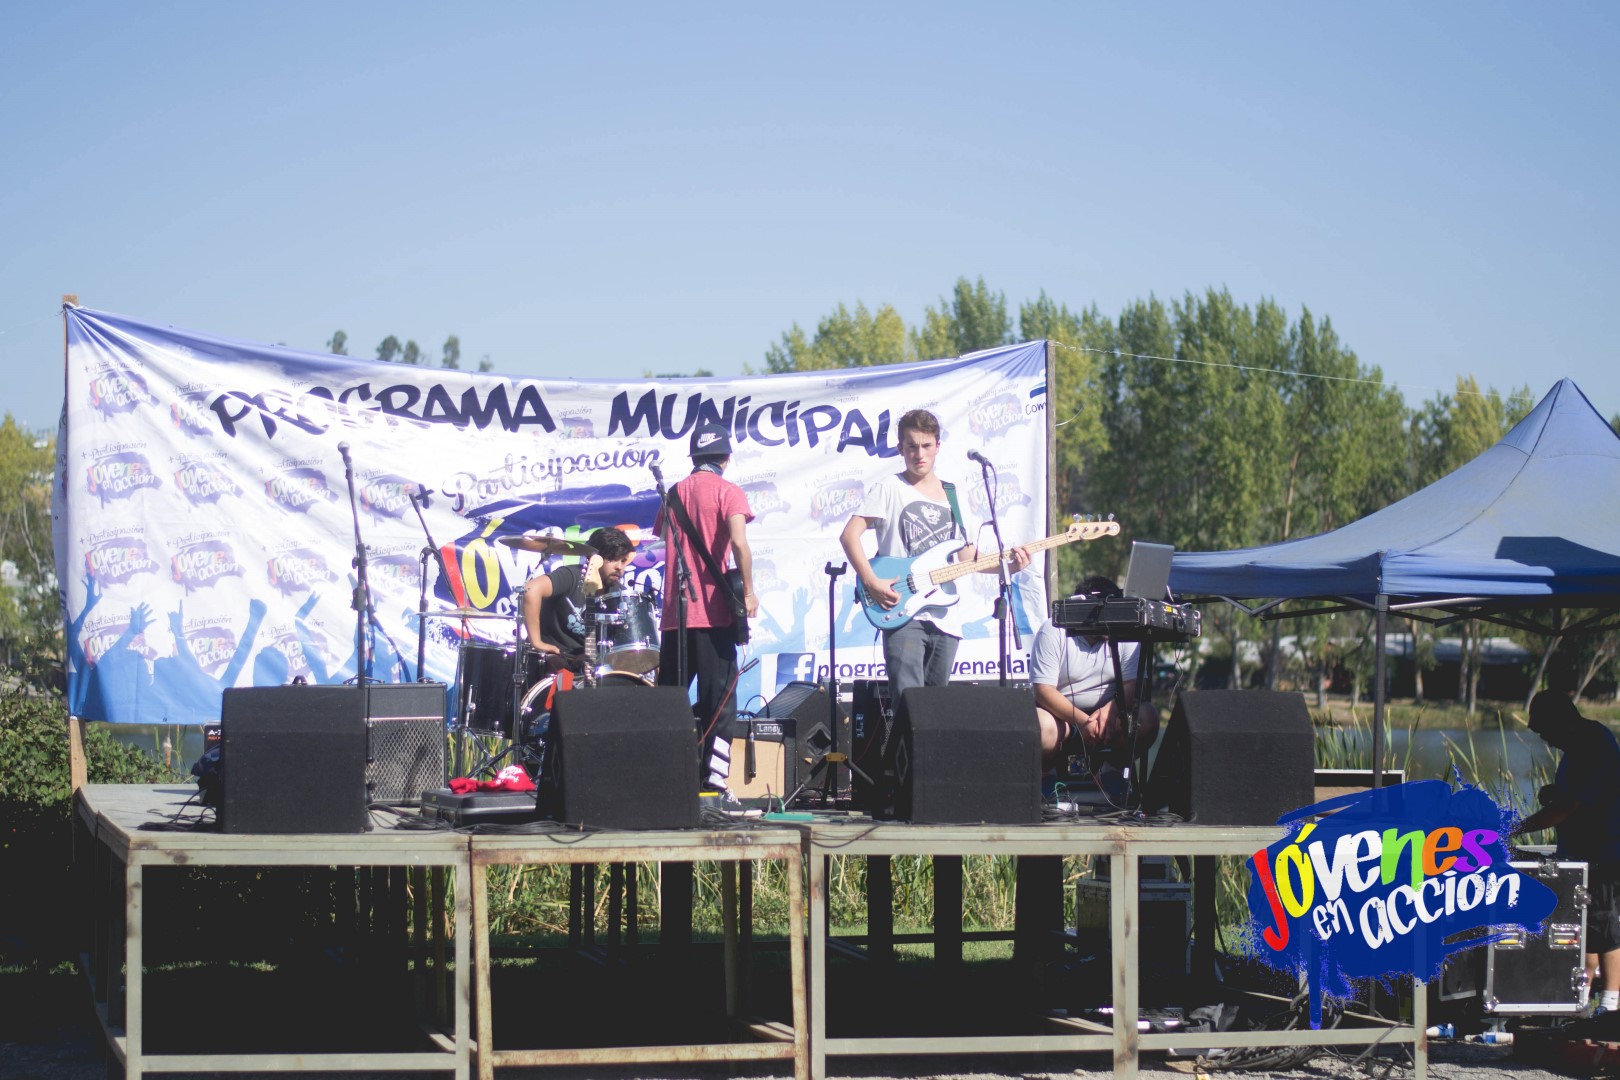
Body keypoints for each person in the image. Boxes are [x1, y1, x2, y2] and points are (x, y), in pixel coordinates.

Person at [839, 407, 1030, 703]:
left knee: (935, 710)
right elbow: (849, 536)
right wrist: (872, 582)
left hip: (946, 617)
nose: (919, 454)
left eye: (926, 446)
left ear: (938, 446)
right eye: (912, 446)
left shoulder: (952, 494)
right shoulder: (890, 488)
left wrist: (1008, 567)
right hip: (903, 612)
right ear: (900, 448)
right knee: (909, 704)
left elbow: (966, 557)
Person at [656, 422, 757, 790]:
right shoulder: (729, 492)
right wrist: (749, 592)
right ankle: (713, 780)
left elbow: (664, 535)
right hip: (713, 615)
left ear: (693, 457)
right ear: (726, 458)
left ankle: (666, 777)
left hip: (675, 617)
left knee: (669, 701)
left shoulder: (673, 493)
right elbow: (739, 543)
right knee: (720, 703)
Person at [1512, 690, 1620, 1016]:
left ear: (1562, 721)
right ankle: (1580, 1002)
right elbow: (1574, 795)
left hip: (1604, 851)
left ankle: (1610, 1006)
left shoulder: (1594, 743)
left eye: (1544, 730)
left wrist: (1515, 828)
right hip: (1580, 852)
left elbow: (1570, 807)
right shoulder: (1575, 748)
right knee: (1584, 925)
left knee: (1607, 926)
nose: (1544, 739)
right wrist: (1554, 792)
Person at [1029, 576, 1161, 769]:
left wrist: (1111, 710)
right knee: (1041, 726)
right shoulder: (1052, 630)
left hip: (1111, 717)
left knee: (1147, 717)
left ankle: (1112, 771)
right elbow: (1043, 690)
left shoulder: (1125, 631)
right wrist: (1083, 721)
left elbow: (1134, 684)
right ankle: (1048, 776)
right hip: (1061, 718)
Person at [521, 526, 636, 669]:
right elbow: (530, 590)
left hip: (587, 664)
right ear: (593, 557)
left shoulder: (619, 594)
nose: (619, 567)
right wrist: (537, 642)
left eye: (623, 561)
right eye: (612, 559)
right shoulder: (571, 576)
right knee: (557, 667)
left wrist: (598, 655)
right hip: (550, 657)